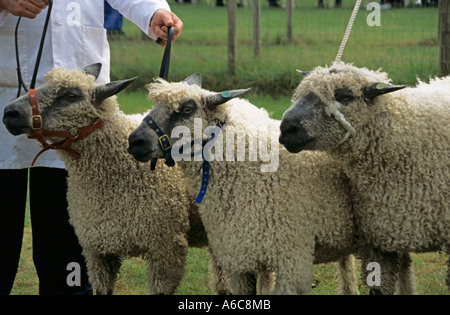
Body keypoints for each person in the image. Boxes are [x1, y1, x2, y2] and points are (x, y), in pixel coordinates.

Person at [0, 0, 182, 295]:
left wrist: (153, 12)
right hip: (5, 88)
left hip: (78, 114)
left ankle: (70, 289)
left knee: (70, 229)